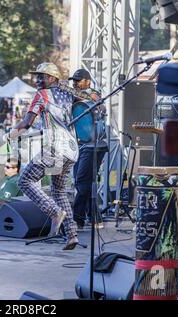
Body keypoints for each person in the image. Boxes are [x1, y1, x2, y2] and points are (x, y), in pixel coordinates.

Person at [7, 62, 79, 250]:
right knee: (59, 190)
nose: (37, 80)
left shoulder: (41, 95)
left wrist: (10, 135)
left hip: (55, 148)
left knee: (25, 180)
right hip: (72, 149)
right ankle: (71, 234)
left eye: (42, 76)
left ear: (52, 78)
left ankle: (55, 212)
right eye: (37, 76)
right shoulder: (68, 93)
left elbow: (27, 122)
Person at [69, 68, 108, 230]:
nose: (75, 83)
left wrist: (88, 96)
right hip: (82, 145)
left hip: (94, 146)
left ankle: (77, 218)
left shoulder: (93, 94)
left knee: (82, 181)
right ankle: (94, 217)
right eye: (74, 81)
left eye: (79, 80)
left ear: (88, 82)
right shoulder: (73, 96)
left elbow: (100, 105)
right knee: (85, 182)